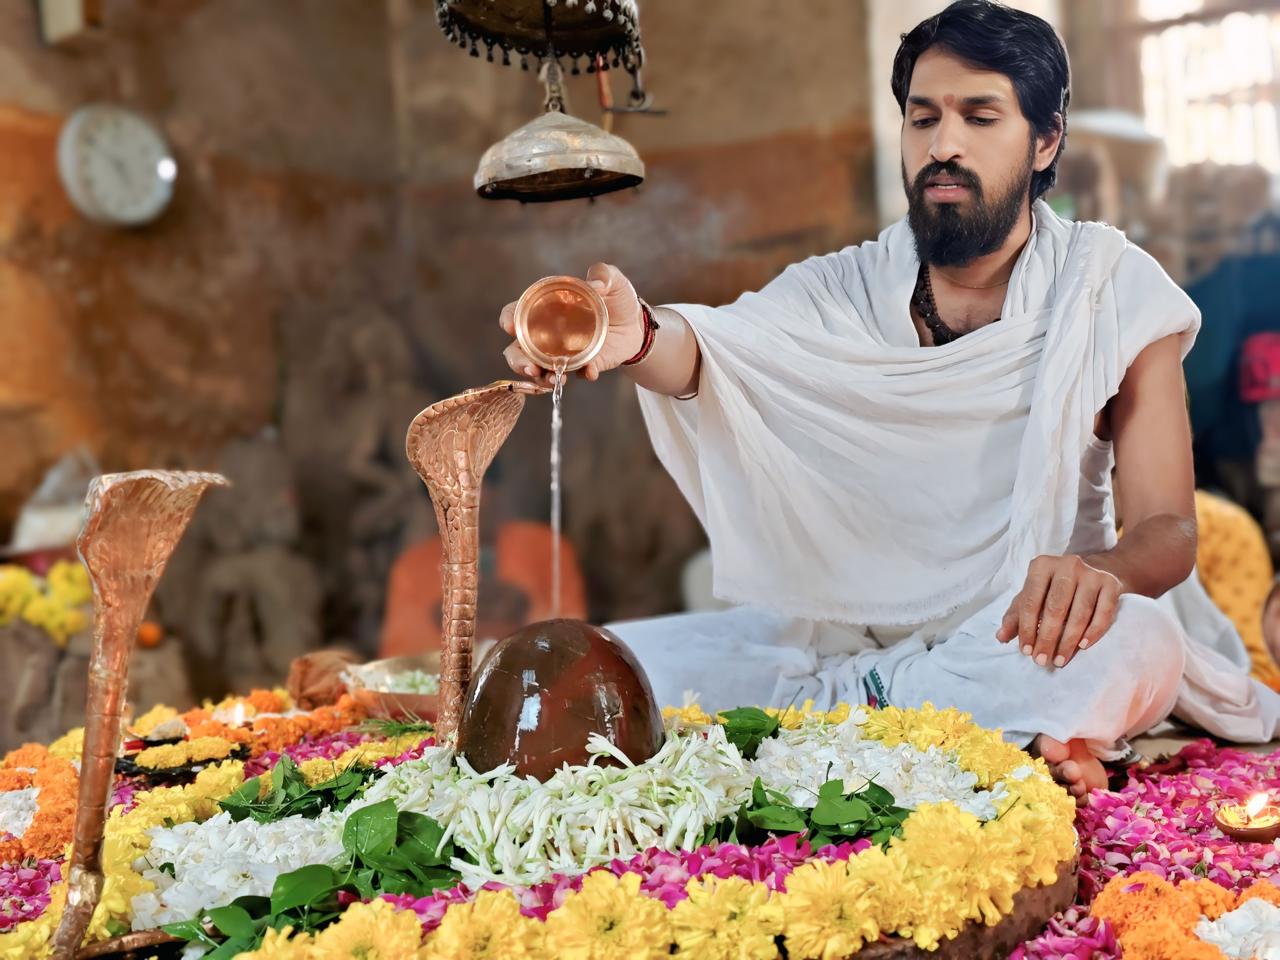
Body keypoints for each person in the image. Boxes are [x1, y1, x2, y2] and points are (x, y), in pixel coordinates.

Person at [499, 0, 1280, 802]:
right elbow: (712, 352)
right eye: (922, 119)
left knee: (1143, 643)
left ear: (1044, 139)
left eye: (980, 117)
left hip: (1016, 640)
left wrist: (1100, 572)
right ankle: (925, 730)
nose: (943, 145)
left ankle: (841, 731)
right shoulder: (845, 286)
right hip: (839, 648)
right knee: (599, 667)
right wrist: (632, 337)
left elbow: (1169, 530)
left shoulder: (1110, 290)